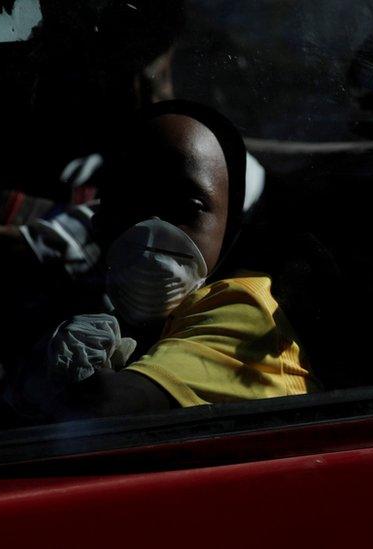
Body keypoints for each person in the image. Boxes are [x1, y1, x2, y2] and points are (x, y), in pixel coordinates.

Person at [41, 100, 315, 416]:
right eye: (132, 203)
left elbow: (104, 408)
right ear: (100, 221)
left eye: (187, 208)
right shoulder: (128, 323)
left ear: (229, 231)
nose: (153, 229)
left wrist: (74, 377)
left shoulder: (244, 309)